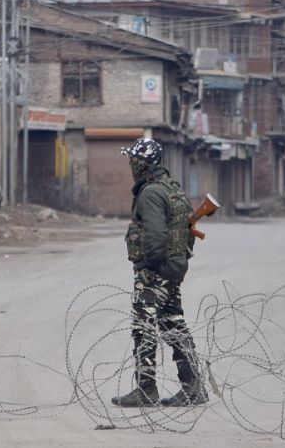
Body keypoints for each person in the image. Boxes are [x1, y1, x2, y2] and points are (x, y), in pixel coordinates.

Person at [111, 138, 207, 408]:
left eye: (134, 160)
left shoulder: (151, 192)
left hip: (157, 271)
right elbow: (187, 229)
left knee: (143, 328)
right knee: (174, 326)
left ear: (144, 163)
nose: (131, 164)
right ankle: (193, 387)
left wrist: (150, 268)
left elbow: (156, 235)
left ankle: (146, 389)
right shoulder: (171, 187)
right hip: (173, 268)